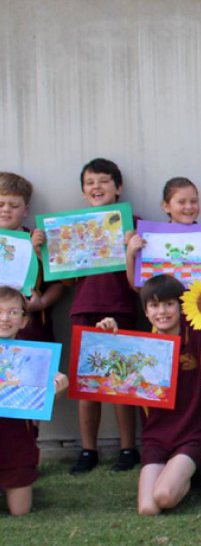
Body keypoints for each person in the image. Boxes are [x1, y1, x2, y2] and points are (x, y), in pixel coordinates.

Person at [31, 158, 140, 474]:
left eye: (104, 181)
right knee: (87, 384)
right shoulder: (71, 227)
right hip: (83, 310)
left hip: (122, 308)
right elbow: (64, 281)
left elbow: (144, 275)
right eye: (90, 183)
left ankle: (128, 448)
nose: (97, 187)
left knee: (122, 382)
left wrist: (132, 244)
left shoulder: (132, 223)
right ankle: (88, 451)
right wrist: (42, 254)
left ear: (117, 188)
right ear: (83, 191)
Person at [95, 273, 201, 515]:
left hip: (191, 435)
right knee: (148, 509)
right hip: (155, 437)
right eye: (154, 305)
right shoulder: (141, 347)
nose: (162, 311)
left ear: (181, 307)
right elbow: (109, 370)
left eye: (169, 304)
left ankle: (191, 472)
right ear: (146, 312)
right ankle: (185, 475)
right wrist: (109, 335)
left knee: (163, 496)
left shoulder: (197, 336)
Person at [0, 287, 69, 515]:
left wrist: (58, 391)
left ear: (23, 320)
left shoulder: (33, 358)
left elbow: (43, 402)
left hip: (16, 443)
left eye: (12, 312)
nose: (4, 318)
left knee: (20, 511)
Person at [0, 172, 64, 343]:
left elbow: (60, 284)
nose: (6, 209)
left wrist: (41, 303)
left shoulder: (38, 239)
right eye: (1, 204)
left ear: (26, 210)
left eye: (13, 205)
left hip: (31, 328)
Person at [125, 177, 201, 287]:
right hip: (164, 302)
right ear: (166, 206)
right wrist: (130, 254)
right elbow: (138, 288)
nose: (189, 207)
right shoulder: (150, 239)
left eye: (194, 201)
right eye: (181, 202)